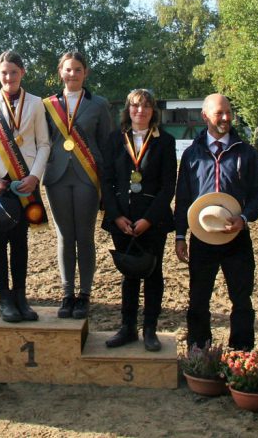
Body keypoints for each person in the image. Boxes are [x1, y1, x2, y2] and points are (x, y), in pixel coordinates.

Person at [175, 93, 258, 351]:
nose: (226, 118)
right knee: (198, 299)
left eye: (229, 112)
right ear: (205, 116)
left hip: (237, 238)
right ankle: (199, 352)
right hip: (202, 239)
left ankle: (241, 354)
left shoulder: (246, 153)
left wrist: (244, 217)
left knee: (241, 299)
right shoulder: (192, 155)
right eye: (219, 113)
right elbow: (183, 197)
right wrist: (180, 236)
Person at [0, 50, 50, 323]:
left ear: (22, 73)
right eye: (4, 72)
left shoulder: (37, 103)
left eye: (14, 72)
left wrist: (35, 176)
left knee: (20, 242)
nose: (8, 77)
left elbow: (44, 144)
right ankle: (3, 298)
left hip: (24, 182)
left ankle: (20, 297)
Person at [100, 89, 176, 350]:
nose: (140, 111)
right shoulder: (114, 140)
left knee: (153, 274)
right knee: (129, 274)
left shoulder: (165, 141)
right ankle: (127, 327)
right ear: (128, 109)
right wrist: (116, 216)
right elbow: (106, 182)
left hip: (152, 220)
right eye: (135, 106)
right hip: (122, 219)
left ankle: (151, 330)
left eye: (145, 106)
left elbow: (168, 187)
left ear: (153, 111)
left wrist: (149, 219)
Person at [42, 51, 116, 320]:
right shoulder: (47, 105)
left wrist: (107, 184)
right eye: (67, 69)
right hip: (56, 176)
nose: (72, 74)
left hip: (87, 176)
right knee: (64, 235)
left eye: (77, 69)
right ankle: (67, 294)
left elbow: (107, 143)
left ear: (86, 73)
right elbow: (42, 141)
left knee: (84, 236)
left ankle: (84, 294)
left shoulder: (98, 104)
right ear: (60, 72)